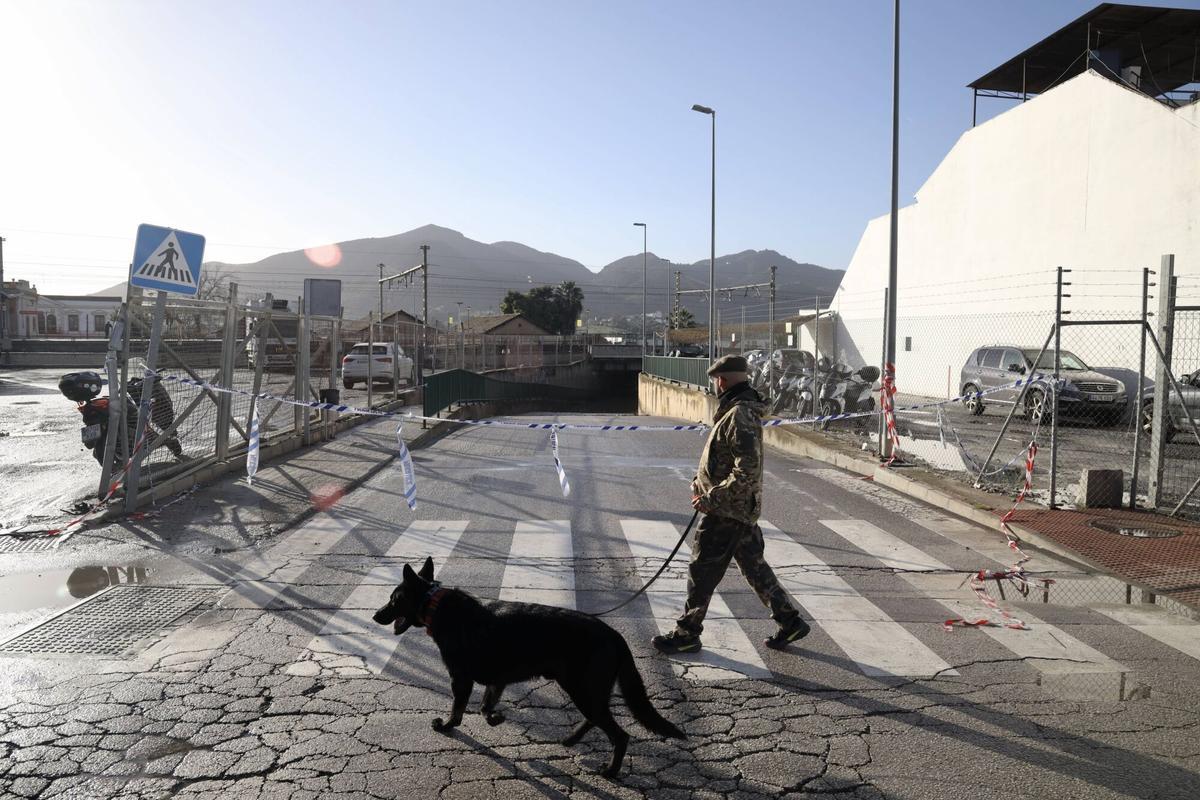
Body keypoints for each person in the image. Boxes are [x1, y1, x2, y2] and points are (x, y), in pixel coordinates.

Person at [652, 354, 811, 654]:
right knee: (754, 568)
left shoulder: (739, 414)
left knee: (702, 571)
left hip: (726, 510)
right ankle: (789, 622)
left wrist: (712, 496)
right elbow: (725, 460)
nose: (714, 385)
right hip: (734, 507)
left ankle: (687, 633)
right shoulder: (736, 411)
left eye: (715, 380)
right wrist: (700, 482)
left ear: (722, 380)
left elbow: (746, 470)